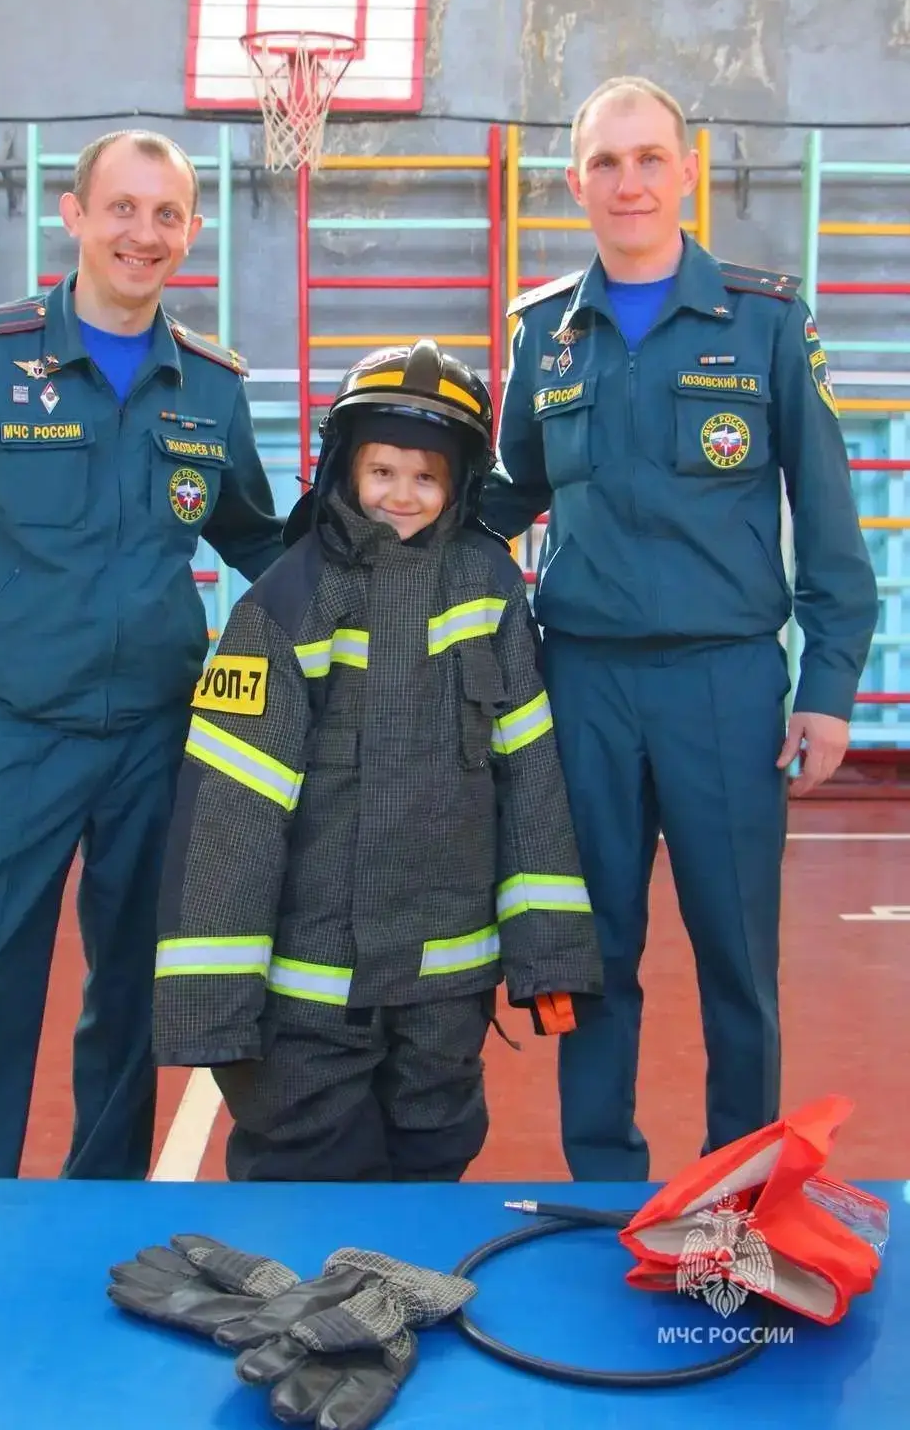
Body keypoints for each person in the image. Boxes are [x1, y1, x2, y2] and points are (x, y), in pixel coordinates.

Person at [0, 129, 286, 1179]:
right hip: (9, 741)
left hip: (156, 746)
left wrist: (382, 572)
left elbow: (262, 545)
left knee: (133, 991)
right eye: (122, 208)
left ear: (191, 231)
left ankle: (102, 1203)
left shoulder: (209, 385)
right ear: (75, 215)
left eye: (166, 214)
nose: (143, 234)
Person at [478, 76, 879, 1182]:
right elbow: (511, 490)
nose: (631, 182)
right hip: (584, 686)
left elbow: (828, 516)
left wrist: (829, 686)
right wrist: (392, 511)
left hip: (724, 682)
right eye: (607, 163)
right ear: (577, 184)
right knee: (592, 948)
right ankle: (605, 1178)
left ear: (687, 171)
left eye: (650, 158)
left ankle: (738, 1183)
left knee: (737, 955)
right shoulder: (543, 332)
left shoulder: (767, 321)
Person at [151, 339, 604, 1182]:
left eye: (426, 476)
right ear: (344, 469)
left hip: (445, 989)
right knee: (308, 1177)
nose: (403, 494)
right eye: (383, 471)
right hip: (313, 994)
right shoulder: (287, 603)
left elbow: (531, 780)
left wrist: (548, 952)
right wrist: (214, 1003)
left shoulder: (490, 588)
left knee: (435, 1156)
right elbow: (232, 814)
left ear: (461, 484)